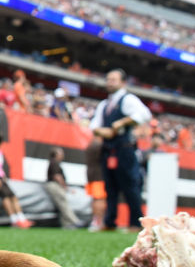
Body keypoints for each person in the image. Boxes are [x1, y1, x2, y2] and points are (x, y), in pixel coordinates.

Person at [90, 69, 152, 231]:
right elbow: (94, 126)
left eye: (113, 80)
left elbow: (145, 114)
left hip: (124, 149)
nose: (109, 82)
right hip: (108, 150)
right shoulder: (104, 104)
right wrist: (105, 131)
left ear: (123, 82)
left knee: (130, 186)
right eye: (108, 79)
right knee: (110, 187)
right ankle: (110, 221)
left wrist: (122, 122)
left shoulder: (128, 99)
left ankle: (136, 222)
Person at [45, 148, 80, 228]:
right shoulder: (54, 163)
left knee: (61, 204)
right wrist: (65, 187)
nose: (63, 155)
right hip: (54, 185)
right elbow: (57, 176)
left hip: (54, 185)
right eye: (61, 153)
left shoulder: (54, 163)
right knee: (63, 203)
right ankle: (75, 221)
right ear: (56, 155)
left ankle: (67, 224)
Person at [85, 138, 107, 231]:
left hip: (91, 175)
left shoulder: (90, 145)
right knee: (100, 199)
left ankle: (96, 220)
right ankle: (99, 221)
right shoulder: (99, 145)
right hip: (99, 176)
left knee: (95, 199)